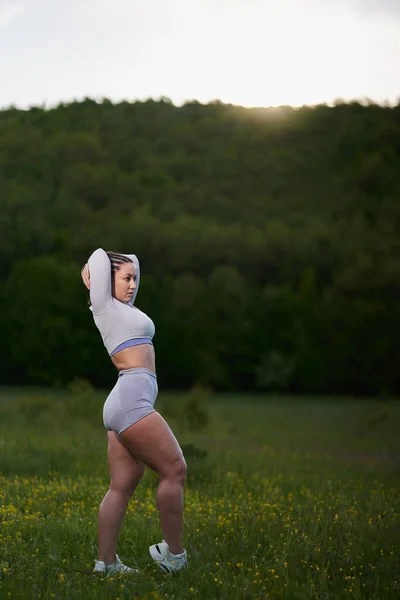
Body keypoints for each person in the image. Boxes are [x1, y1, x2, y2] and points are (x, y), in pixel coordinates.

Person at [80, 248, 187, 575]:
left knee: (121, 485)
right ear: (104, 282)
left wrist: (126, 267)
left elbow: (134, 259)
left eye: (134, 279)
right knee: (175, 470)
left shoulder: (125, 308)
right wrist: (89, 269)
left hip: (126, 400)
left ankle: (106, 564)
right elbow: (98, 256)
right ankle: (174, 555)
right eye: (125, 278)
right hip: (130, 401)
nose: (131, 284)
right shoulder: (105, 306)